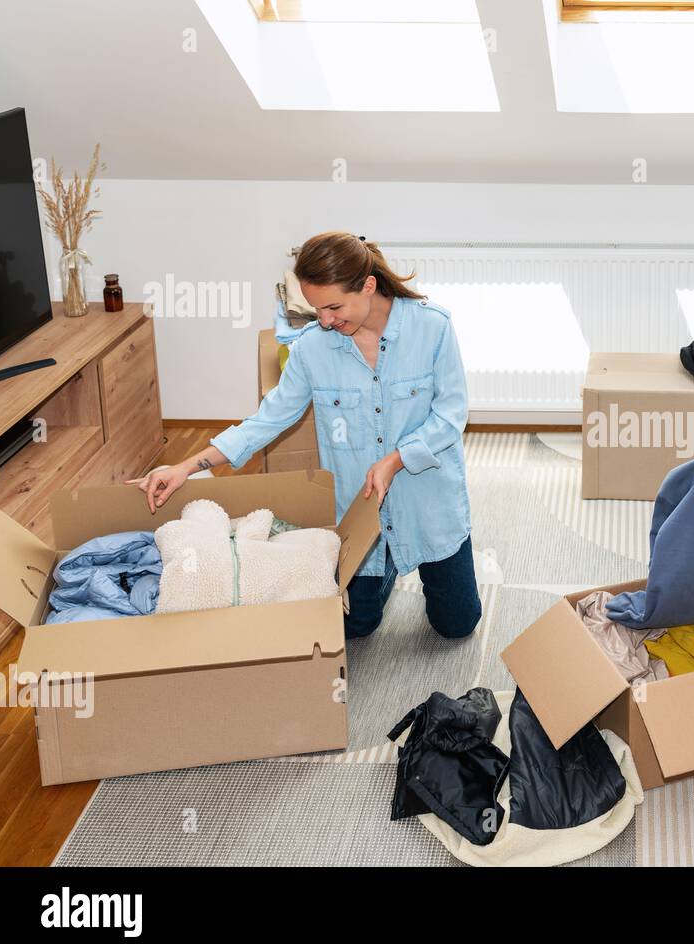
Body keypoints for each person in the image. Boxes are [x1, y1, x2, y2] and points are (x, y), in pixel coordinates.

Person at [129, 231, 481, 642]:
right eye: (317, 310)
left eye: (334, 307)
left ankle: (404, 562)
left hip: (429, 504)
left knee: (457, 626)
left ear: (368, 286)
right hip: (362, 509)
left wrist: (396, 459)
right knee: (354, 628)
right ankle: (383, 566)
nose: (327, 320)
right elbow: (269, 419)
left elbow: (451, 415)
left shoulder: (433, 327)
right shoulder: (313, 347)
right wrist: (188, 465)